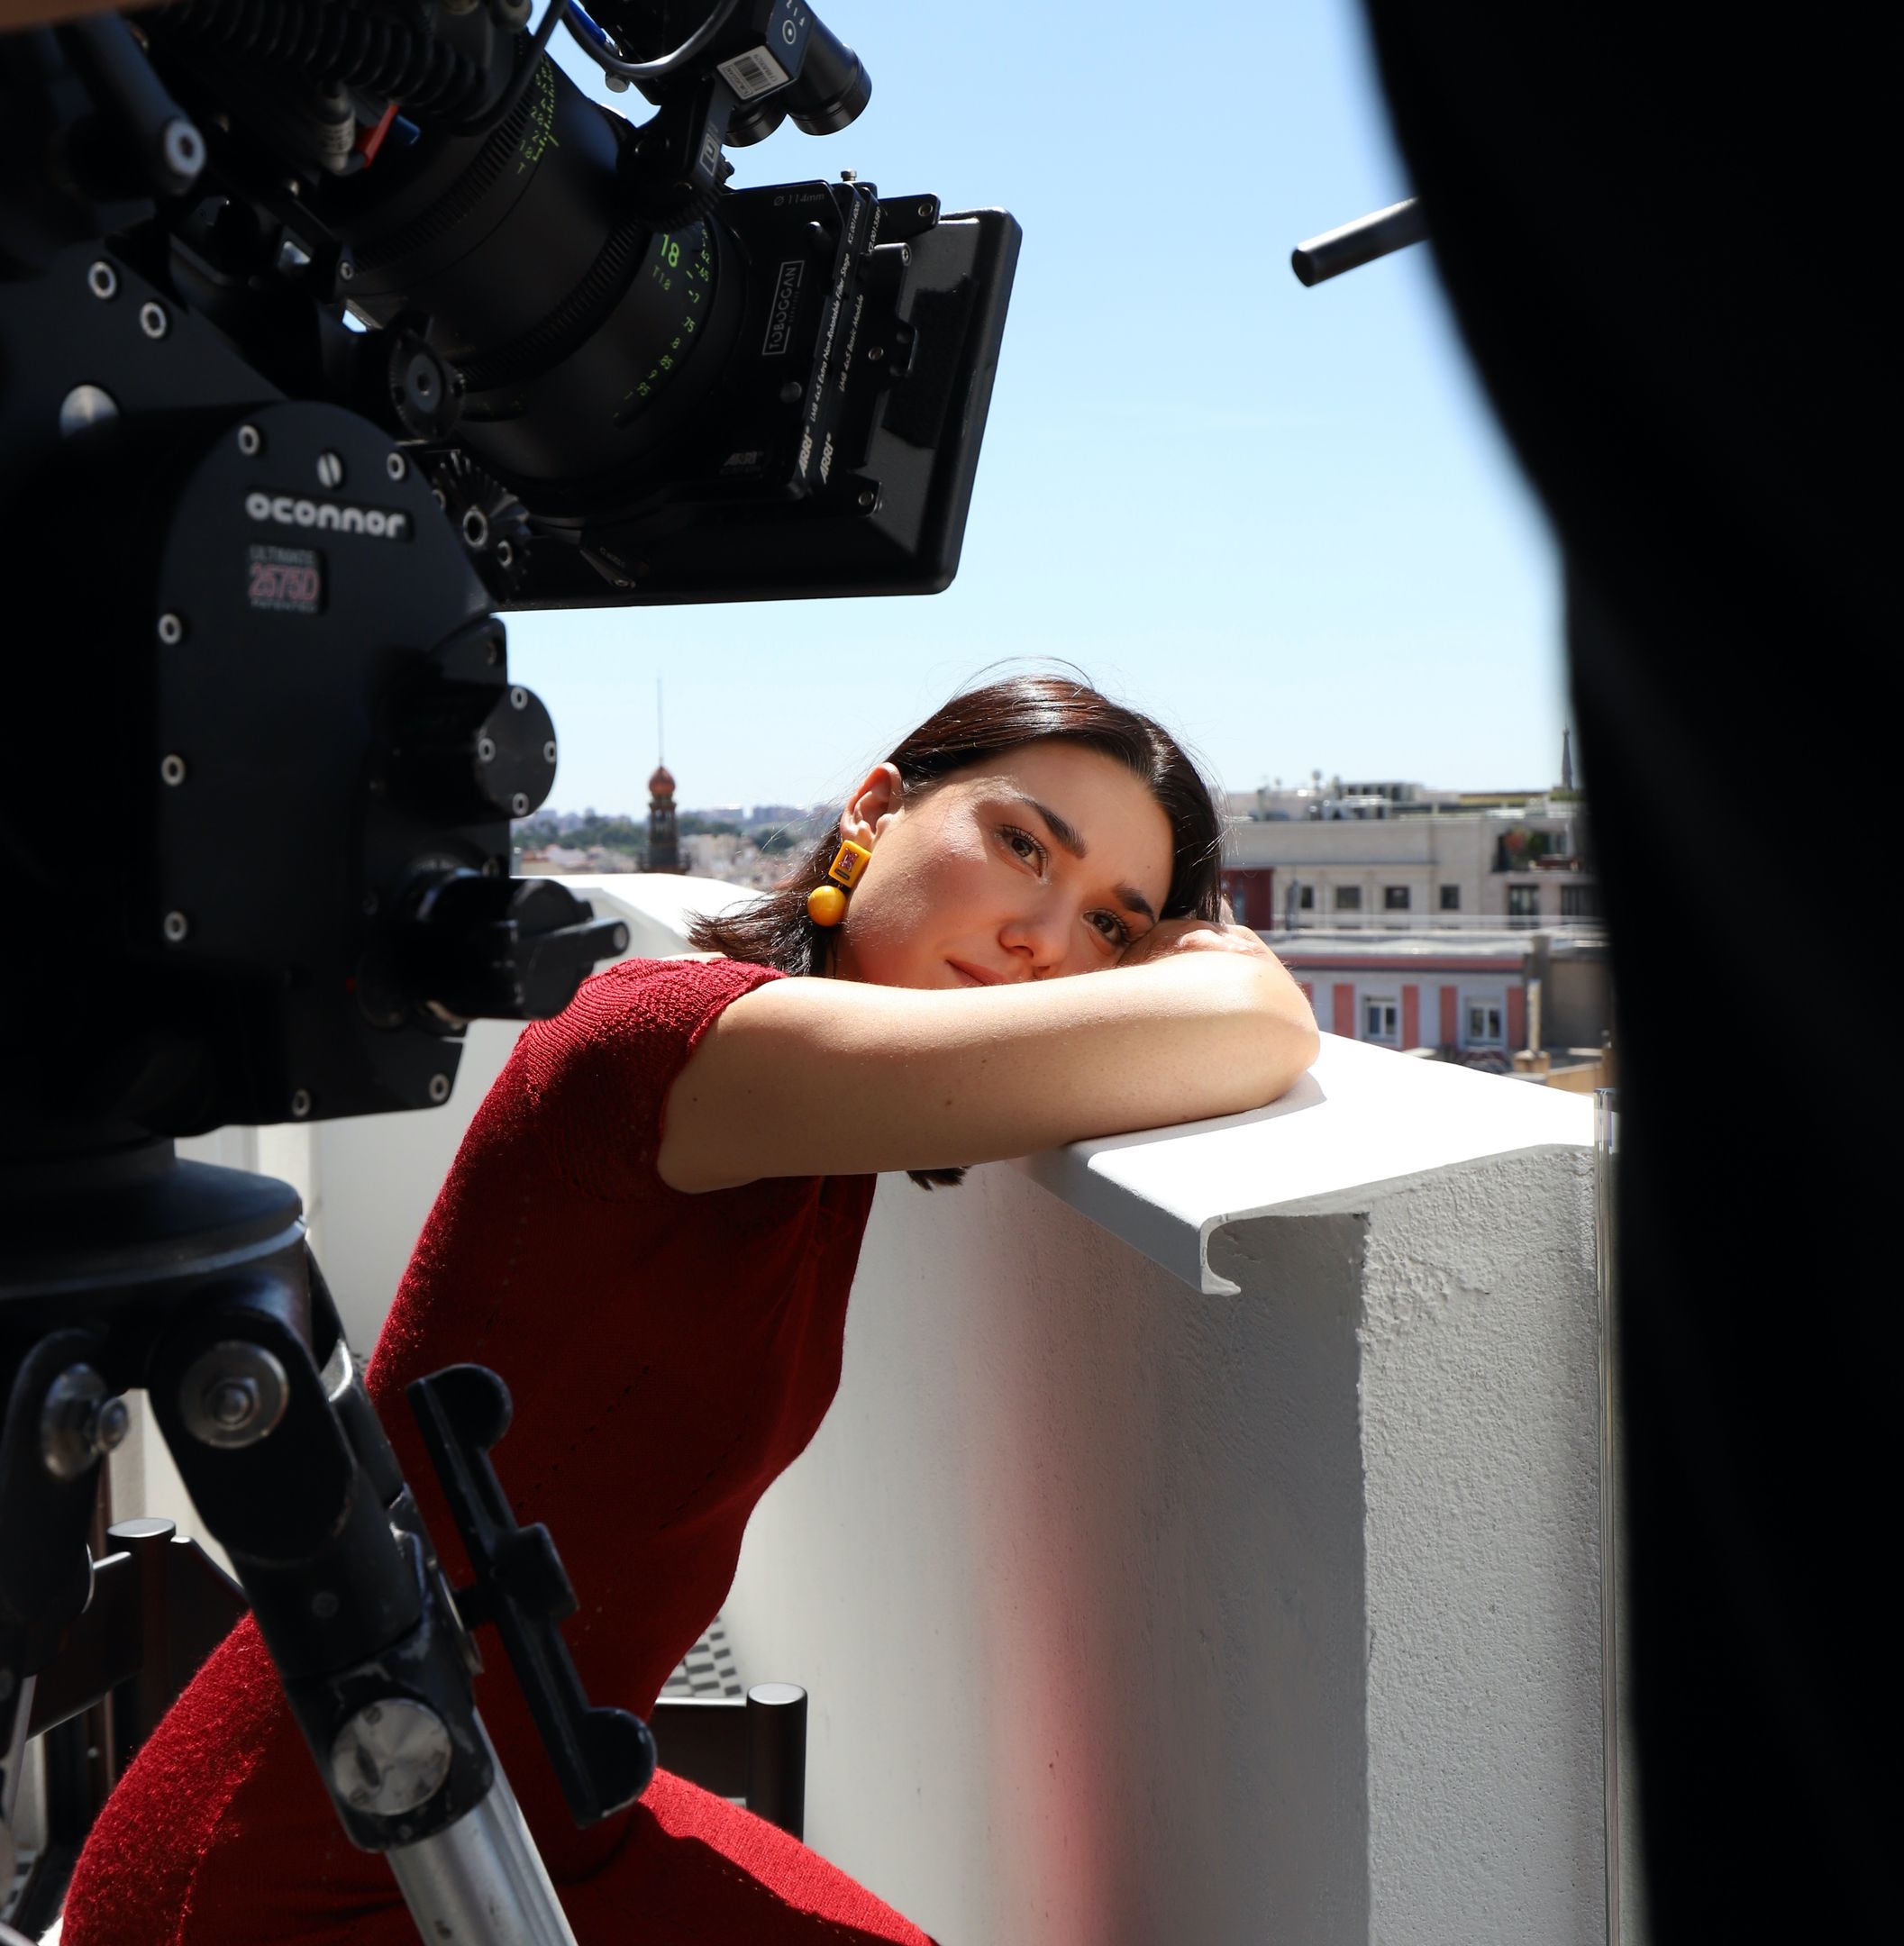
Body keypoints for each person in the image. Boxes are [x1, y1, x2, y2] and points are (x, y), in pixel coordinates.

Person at [60, 674, 1320, 1945]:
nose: (1043, 938)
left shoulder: (821, 1132)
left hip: (538, 1809)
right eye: (1021, 845)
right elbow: (1253, 1023)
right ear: (874, 809)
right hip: (317, 1857)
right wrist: (1219, 968)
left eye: (1110, 926)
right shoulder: (681, 1047)